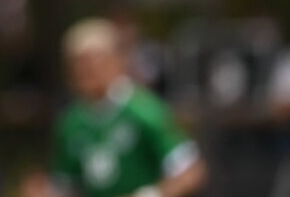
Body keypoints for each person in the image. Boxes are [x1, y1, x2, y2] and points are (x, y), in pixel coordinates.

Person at [51, 18, 206, 197]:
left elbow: (190, 171)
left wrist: (151, 194)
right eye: (77, 63)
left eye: (92, 61)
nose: (85, 70)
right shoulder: (71, 123)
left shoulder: (144, 111)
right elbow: (64, 186)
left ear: (114, 60)